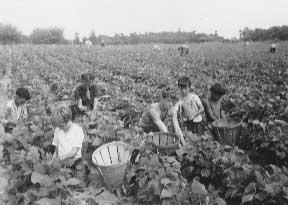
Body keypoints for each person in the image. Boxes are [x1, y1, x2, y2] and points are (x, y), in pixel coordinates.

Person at [171, 77, 204, 144]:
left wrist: (194, 115)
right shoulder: (181, 101)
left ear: (189, 88)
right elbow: (176, 110)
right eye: (181, 89)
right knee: (189, 138)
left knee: (198, 138)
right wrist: (174, 110)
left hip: (197, 122)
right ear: (179, 89)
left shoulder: (194, 97)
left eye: (185, 89)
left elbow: (202, 108)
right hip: (187, 123)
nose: (183, 91)